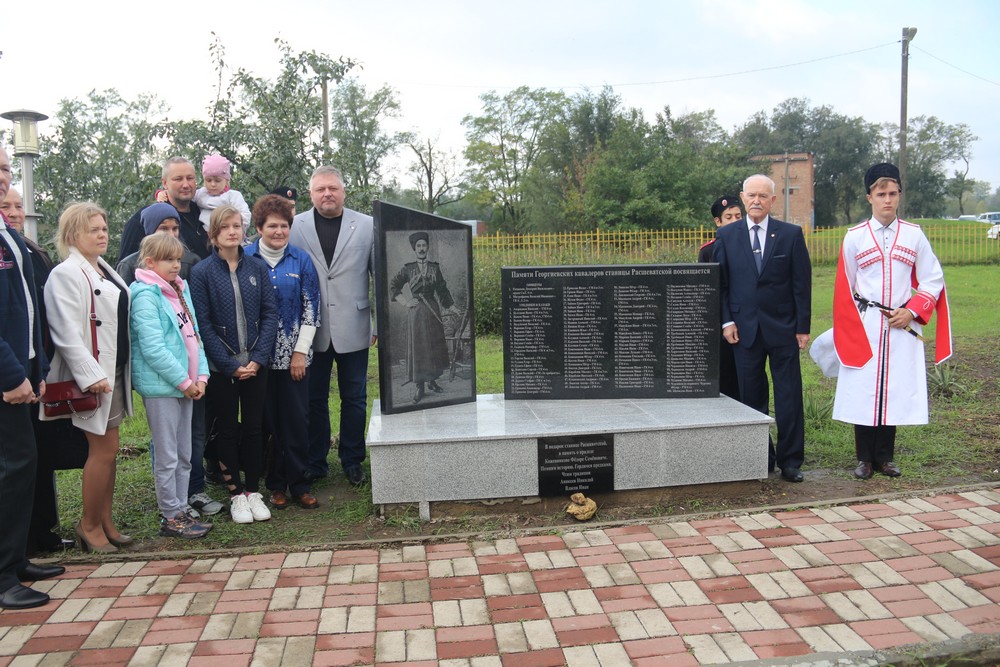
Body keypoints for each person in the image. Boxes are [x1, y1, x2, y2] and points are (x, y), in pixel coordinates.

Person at [832, 162, 951, 479]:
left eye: (893, 193)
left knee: (894, 386)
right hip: (867, 323)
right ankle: (864, 459)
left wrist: (911, 310)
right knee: (865, 387)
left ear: (900, 195)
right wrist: (851, 326)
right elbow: (846, 286)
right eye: (881, 193)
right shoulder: (854, 237)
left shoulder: (914, 235)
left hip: (901, 323)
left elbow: (932, 280)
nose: (888, 199)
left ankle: (886, 458)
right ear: (869, 197)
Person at [43, 202, 134, 552]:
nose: (102, 235)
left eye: (104, 228)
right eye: (93, 230)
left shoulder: (103, 268)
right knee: (104, 450)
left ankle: (104, 520)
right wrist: (88, 374)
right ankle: (89, 524)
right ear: (72, 235)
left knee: (108, 452)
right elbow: (64, 331)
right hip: (95, 378)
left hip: (115, 372)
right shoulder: (65, 274)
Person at [2, 187, 87, 556]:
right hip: (11, 374)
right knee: (17, 464)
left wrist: (40, 367)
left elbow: (37, 314)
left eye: (20, 205)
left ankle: (36, 540)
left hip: (33, 371)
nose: (15, 211)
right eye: (6, 206)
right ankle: (19, 552)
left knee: (36, 461)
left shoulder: (30, 250)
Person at [713, 174, 811, 483]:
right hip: (743, 331)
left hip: (782, 329)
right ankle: (760, 456)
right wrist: (726, 321)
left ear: (772, 200)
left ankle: (791, 460)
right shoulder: (727, 236)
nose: (756, 200)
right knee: (751, 397)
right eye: (751, 195)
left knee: (788, 397)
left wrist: (802, 327)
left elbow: (801, 284)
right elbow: (721, 285)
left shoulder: (790, 234)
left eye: (763, 196)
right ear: (743, 198)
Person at [0, 144, 64, 610]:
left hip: (23, 372)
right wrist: (9, 373)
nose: (5, 177)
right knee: (9, 471)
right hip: (5, 378)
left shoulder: (8, 235)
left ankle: (16, 558)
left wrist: (36, 367)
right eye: (0, 168)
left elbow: (26, 307)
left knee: (21, 470)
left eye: (6, 168)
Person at [190, 206, 278, 524]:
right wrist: (228, 364)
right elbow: (203, 324)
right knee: (227, 429)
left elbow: (270, 313)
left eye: (237, 226)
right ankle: (236, 495)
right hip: (221, 367)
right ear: (214, 235)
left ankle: (253, 490)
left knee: (254, 428)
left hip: (256, 363)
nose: (232, 231)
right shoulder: (201, 273)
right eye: (225, 227)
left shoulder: (256, 267)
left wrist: (258, 358)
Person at [289, 166, 375, 487]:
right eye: (320, 189)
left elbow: (378, 275)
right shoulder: (295, 227)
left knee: (355, 398)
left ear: (343, 192)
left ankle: (353, 459)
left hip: (355, 323)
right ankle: (316, 460)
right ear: (311, 194)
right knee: (315, 399)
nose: (327, 194)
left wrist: (378, 321)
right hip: (311, 330)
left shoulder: (366, 225)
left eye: (333, 189)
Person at [130, 234, 213, 537]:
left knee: (184, 454)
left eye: (178, 259)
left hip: (187, 386)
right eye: (168, 259)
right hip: (164, 388)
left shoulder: (179, 288)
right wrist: (184, 381)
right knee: (167, 456)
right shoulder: (145, 295)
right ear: (149, 262)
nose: (176, 265)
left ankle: (181, 510)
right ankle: (170, 516)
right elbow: (153, 349)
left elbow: (194, 335)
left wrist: (201, 377)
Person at [247, 195, 321, 510]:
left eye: (284, 226)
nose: (279, 231)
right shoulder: (246, 258)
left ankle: (299, 484)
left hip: (294, 360)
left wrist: (300, 353)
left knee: (296, 421)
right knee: (268, 424)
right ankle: (275, 485)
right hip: (257, 360)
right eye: (272, 225)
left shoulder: (301, 260)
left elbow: (311, 310)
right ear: (260, 227)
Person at [389, 231, 458, 404]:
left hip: (433, 310)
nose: (421, 249)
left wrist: (452, 307)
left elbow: (442, 289)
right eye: (418, 246)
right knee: (420, 347)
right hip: (417, 312)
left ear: (428, 247)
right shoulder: (408, 268)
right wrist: (405, 302)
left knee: (433, 346)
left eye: (424, 245)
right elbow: (393, 286)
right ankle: (420, 386)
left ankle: (433, 381)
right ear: (414, 248)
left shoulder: (435, 267)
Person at [120, 157, 211, 260]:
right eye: (178, 179)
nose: (186, 185)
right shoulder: (145, 218)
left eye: (190, 178)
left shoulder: (205, 212)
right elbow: (126, 265)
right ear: (164, 183)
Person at [697, 195, 743, 401]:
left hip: (747, 316)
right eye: (728, 217)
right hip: (722, 320)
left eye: (738, 216)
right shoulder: (708, 251)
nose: (734, 221)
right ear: (718, 222)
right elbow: (708, 289)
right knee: (725, 371)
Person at [116, 203, 200, 284]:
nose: (171, 234)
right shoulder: (128, 265)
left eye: (175, 228)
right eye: (164, 228)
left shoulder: (191, 261)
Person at [193, 154, 251, 232]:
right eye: (208, 180)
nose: (213, 184)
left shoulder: (233, 196)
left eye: (217, 180)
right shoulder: (199, 194)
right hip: (205, 236)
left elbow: (245, 216)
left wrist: (236, 230)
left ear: (226, 181)